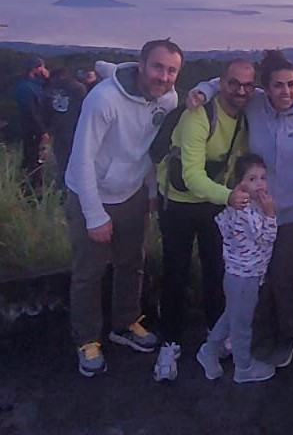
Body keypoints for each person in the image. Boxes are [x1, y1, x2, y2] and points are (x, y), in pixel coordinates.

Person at [188, 49, 293, 369]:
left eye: (291, 84)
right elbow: (222, 84)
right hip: (254, 213)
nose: (286, 92)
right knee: (256, 276)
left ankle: (288, 335)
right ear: (266, 87)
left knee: (283, 276)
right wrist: (202, 91)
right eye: (278, 86)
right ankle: (256, 333)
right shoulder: (254, 104)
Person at [64, 38, 183, 378]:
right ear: (142, 65)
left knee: (133, 262)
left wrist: (148, 189)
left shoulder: (169, 99)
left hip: (131, 191)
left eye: (172, 70)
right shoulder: (103, 100)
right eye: (158, 66)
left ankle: (125, 322)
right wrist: (94, 214)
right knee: (89, 271)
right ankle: (86, 339)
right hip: (92, 192)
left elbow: (146, 149)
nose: (164, 76)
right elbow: (82, 159)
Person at [152, 58, 255, 383]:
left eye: (247, 85)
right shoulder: (198, 115)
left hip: (214, 200)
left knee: (217, 268)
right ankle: (169, 342)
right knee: (176, 271)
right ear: (221, 83)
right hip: (180, 201)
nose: (240, 90)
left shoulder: (245, 114)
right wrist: (228, 197)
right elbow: (192, 175)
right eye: (233, 83)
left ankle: (215, 329)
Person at [195, 153, 278, 384]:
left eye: (262, 177)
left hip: (244, 275)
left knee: (231, 315)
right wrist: (271, 215)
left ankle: (208, 351)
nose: (259, 183)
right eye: (251, 179)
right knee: (242, 325)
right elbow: (265, 238)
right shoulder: (245, 210)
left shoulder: (249, 205)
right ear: (239, 183)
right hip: (243, 277)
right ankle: (243, 367)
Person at [44, 66, 88, 191]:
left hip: (59, 130)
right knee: (75, 163)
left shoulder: (51, 89)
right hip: (75, 130)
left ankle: (62, 190)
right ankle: (72, 190)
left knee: (62, 163)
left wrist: (48, 128)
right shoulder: (79, 88)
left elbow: (47, 110)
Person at [15, 55, 50, 196]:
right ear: (35, 68)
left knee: (38, 160)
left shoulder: (37, 84)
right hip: (32, 130)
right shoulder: (25, 87)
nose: (44, 70)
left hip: (37, 128)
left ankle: (35, 187)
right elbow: (30, 112)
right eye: (41, 67)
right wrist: (42, 131)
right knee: (32, 159)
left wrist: (48, 78)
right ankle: (29, 191)